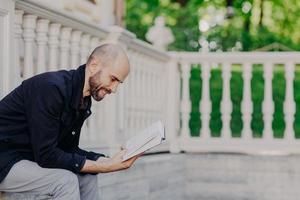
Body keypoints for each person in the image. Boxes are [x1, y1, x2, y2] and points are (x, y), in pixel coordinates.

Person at [0, 43, 141, 199]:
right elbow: (47, 155)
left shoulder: (82, 99)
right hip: (5, 158)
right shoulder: (51, 88)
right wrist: (105, 166)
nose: (114, 89)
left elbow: (67, 150)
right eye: (113, 79)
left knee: (88, 176)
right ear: (94, 65)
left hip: (26, 157)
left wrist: (109, 160)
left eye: (118, 83)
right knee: (65, 181)